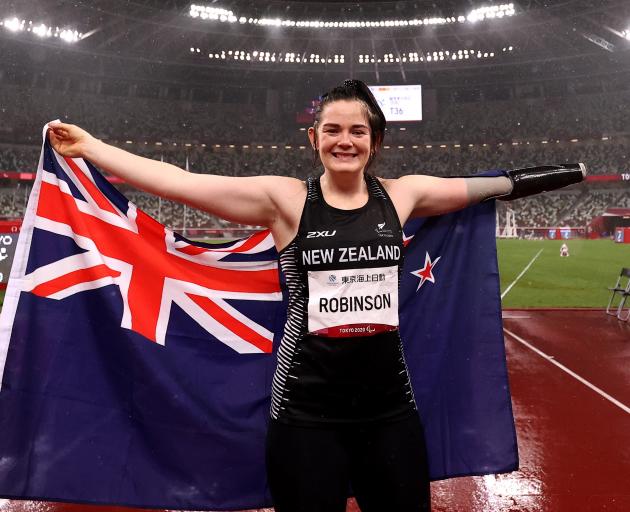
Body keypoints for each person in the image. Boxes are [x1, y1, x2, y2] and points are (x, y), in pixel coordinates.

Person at [47, 79, 585, 512]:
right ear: (314, 139)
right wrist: (91, 147)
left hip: (389, 408)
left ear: (375, 141)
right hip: (304, 411)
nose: (344, 141)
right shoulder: (284, 200)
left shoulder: (404, 195)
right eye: (332, 130)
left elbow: (492, 185)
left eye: (357, 131)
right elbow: (177, 182)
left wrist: (567, 173)